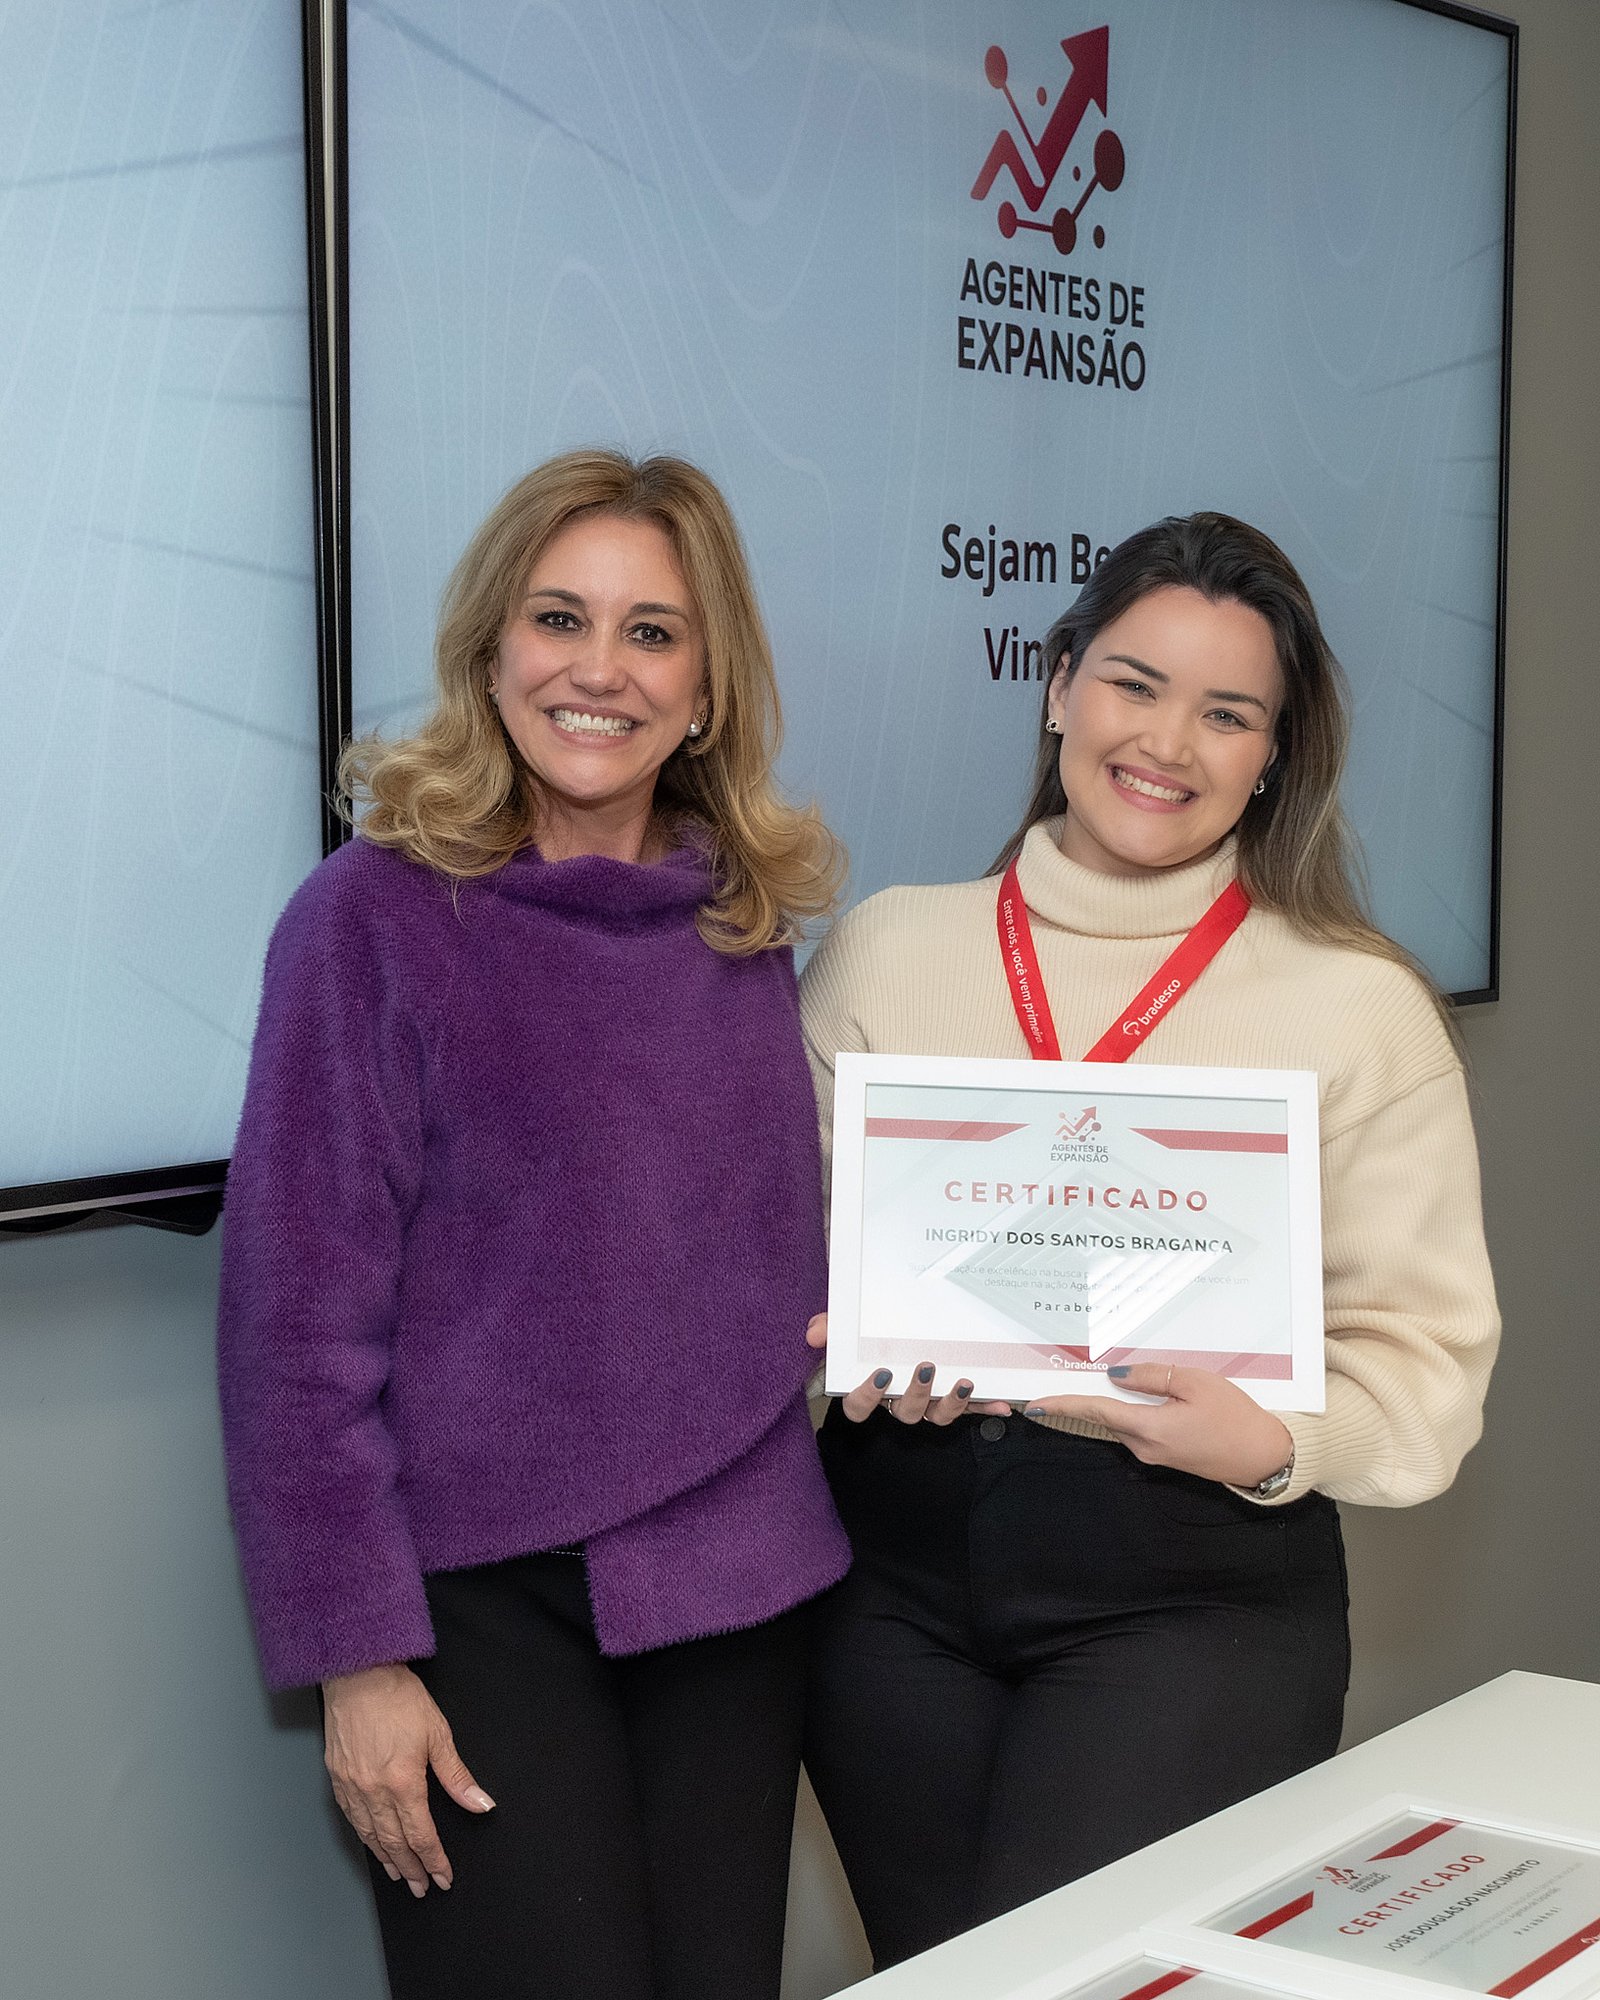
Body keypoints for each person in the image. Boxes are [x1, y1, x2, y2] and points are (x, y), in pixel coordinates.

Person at [799, 512, 1500, 1971]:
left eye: (1227, 713)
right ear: (1060, 685)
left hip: (1194, 1583)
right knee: (943, 1979)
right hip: (889, 1583)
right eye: (1133, 683)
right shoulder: (889, 947)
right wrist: (844, 1353)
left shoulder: (1356, 1005)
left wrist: (1273, 1440)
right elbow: (795, 1264)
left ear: (1274, 754)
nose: (1167, 742)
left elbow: (1426, 1366)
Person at [217, 449, 850, 2000]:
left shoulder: (742, 924)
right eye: (559, 618)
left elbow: (754, 1255)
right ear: (491, 649)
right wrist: (359, 1655)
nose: (598, 670)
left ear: (706, 688)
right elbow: (294, 1332)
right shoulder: (369, 922)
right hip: (478, 1617)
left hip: (737, 1596)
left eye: (652, 632)